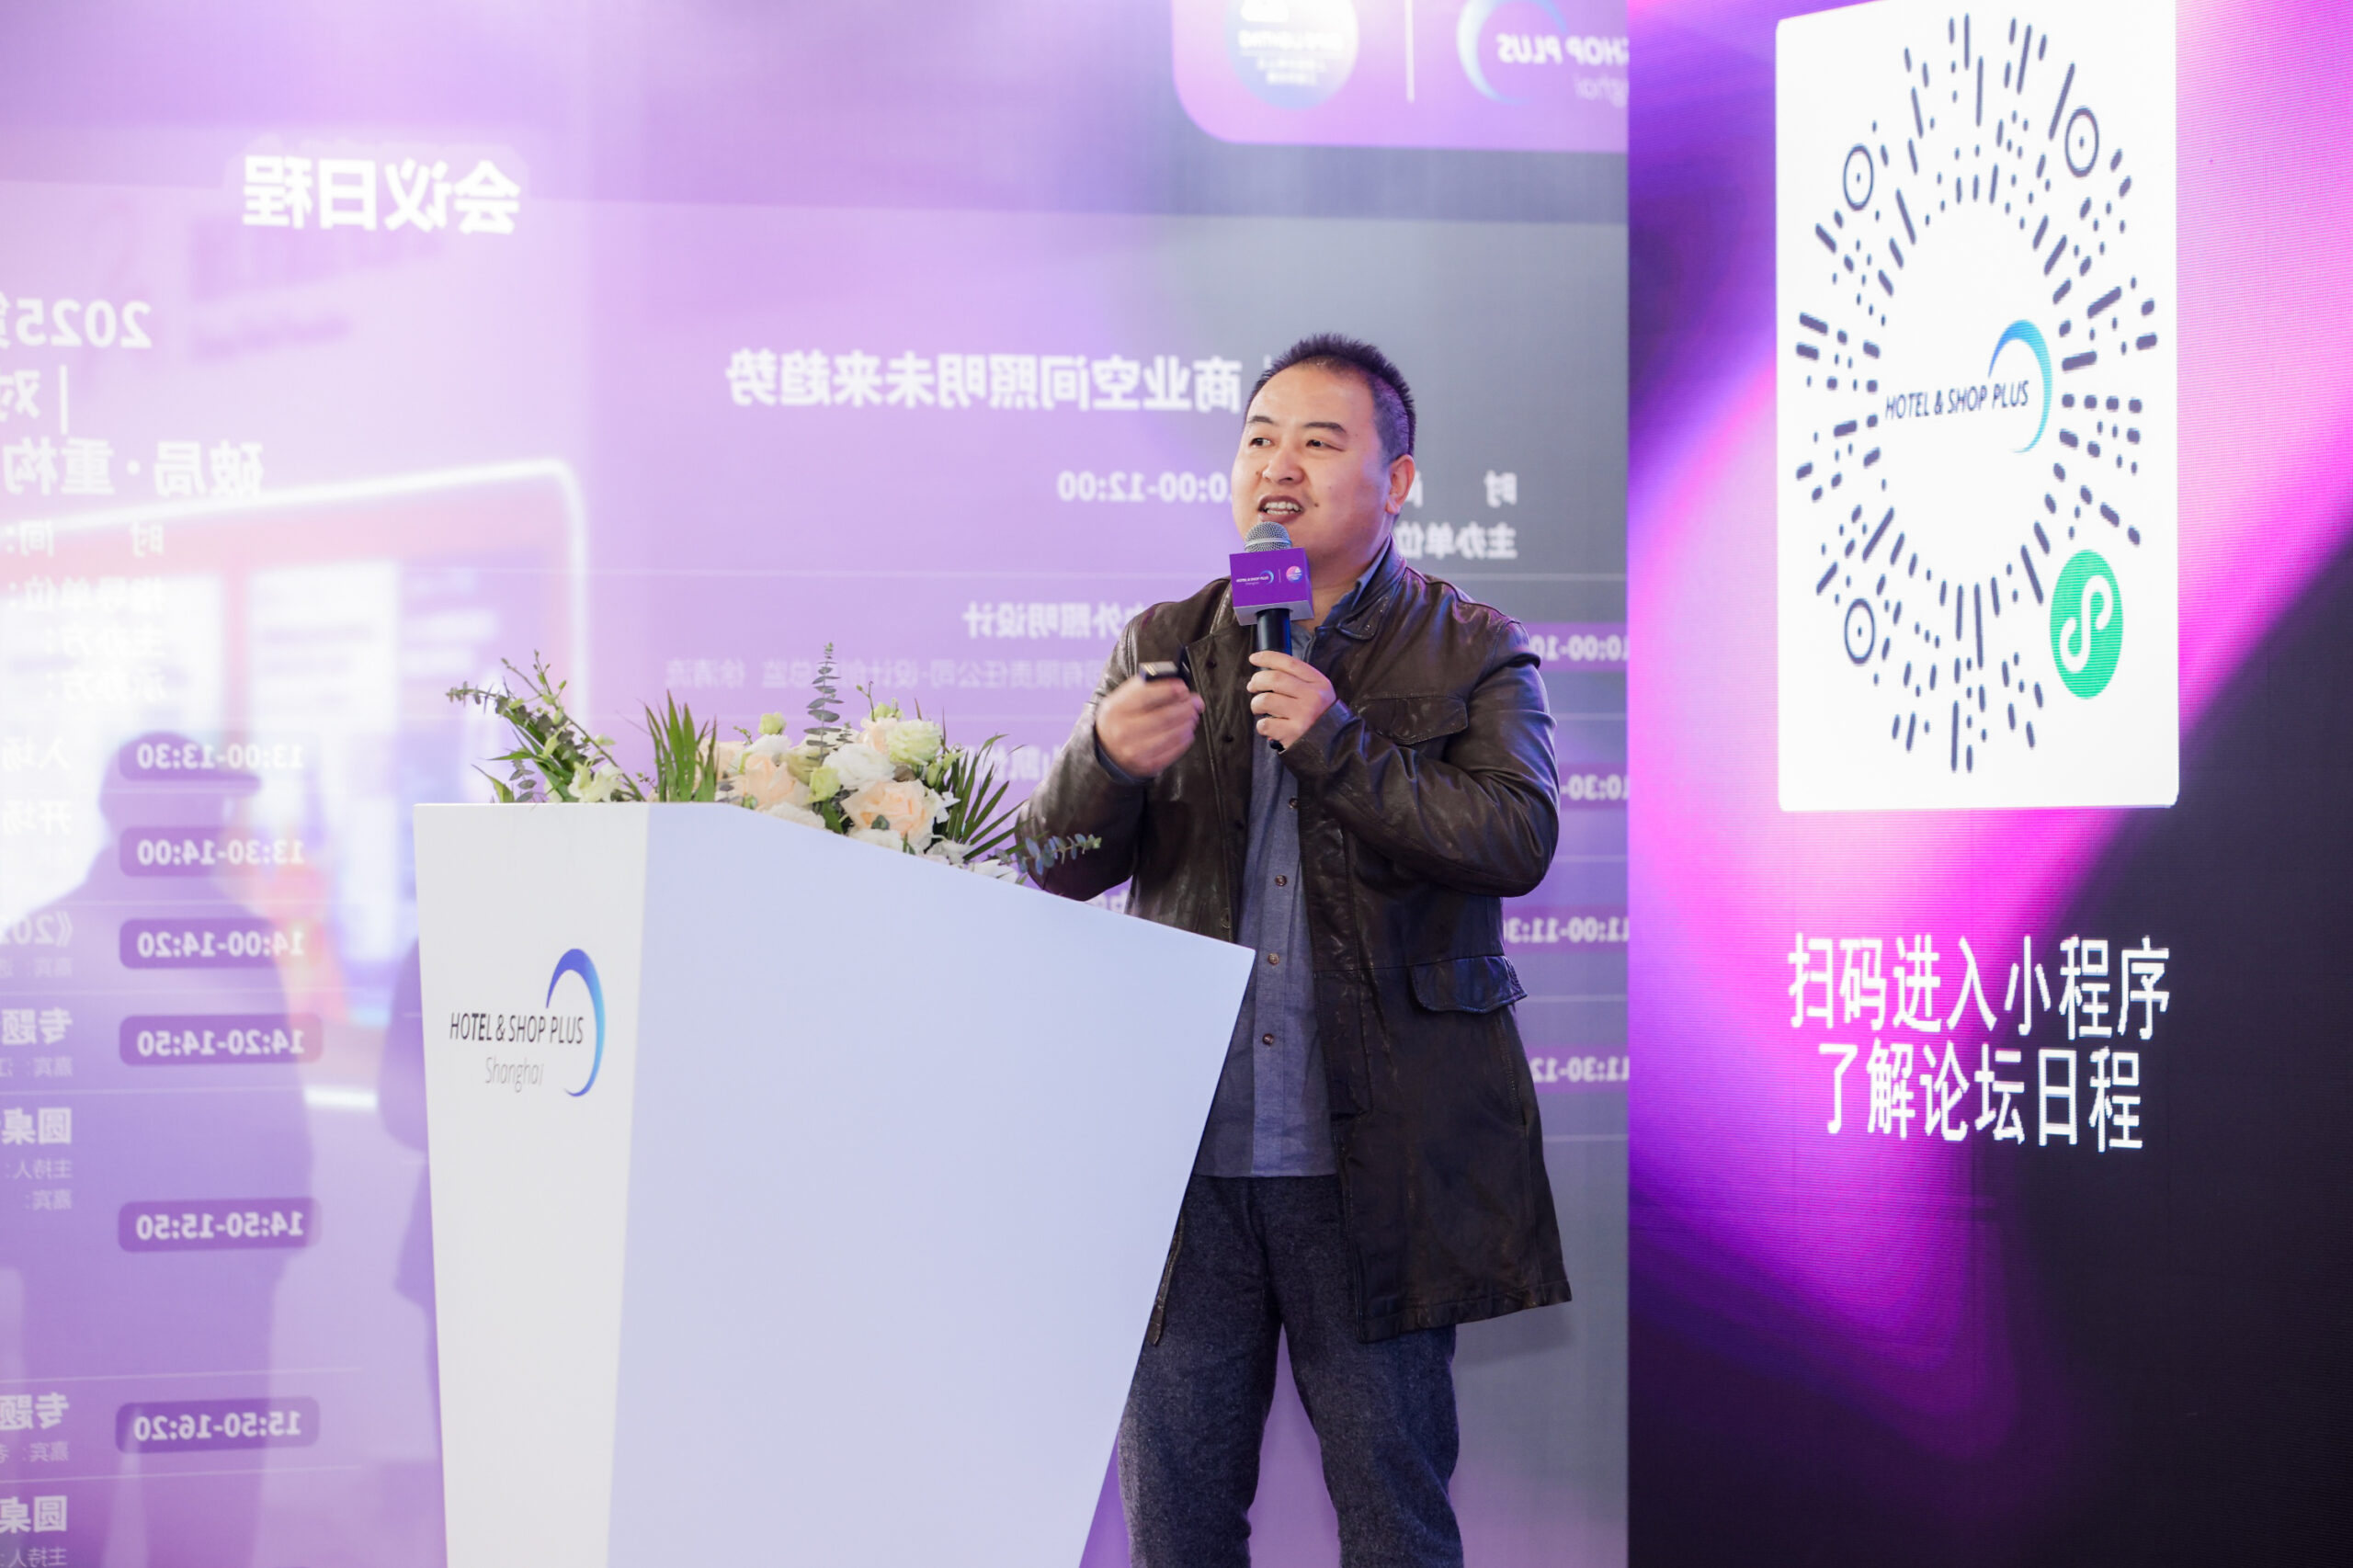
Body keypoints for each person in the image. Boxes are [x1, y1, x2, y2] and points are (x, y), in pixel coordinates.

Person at [1020, 335, 1568, 1566]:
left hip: (1373, 1165)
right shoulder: (1167, 638)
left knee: (1392, 1520)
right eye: (1260, 438)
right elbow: (1051, 862)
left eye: (1319, 442)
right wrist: (1102, 761)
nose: (1279, 466)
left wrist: (1339, 746)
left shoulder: (1469, 644)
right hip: (1188, 1164)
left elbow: (1518, 833)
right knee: (1179, 1525)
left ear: (1399, 480)